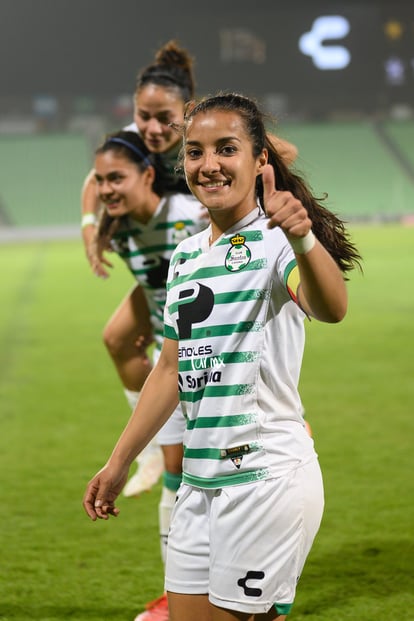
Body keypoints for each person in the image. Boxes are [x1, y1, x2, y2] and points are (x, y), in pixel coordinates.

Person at [83, 92, 361, 621]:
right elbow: (169, 369)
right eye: (195, 152)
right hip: (200, 480)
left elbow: (332, 308)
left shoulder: (277, 241)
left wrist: (301, 235)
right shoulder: (186, 255)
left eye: (226, 149)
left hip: (265, 479)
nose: (208, 165)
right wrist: (119, 461)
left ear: (260, 160)